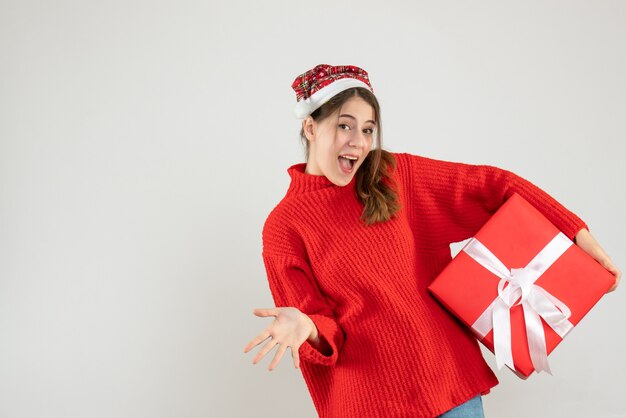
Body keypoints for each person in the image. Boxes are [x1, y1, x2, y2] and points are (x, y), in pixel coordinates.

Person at [242, 64, 621, 418]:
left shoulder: (393, 176)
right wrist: (306, 326)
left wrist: (579, 235)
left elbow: (494, 186)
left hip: (449, 388)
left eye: (369, 129)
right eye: (345, 126)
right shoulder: (284, 227)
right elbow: (326, 334)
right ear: (310, 127)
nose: (358, 142)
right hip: (370, 403)